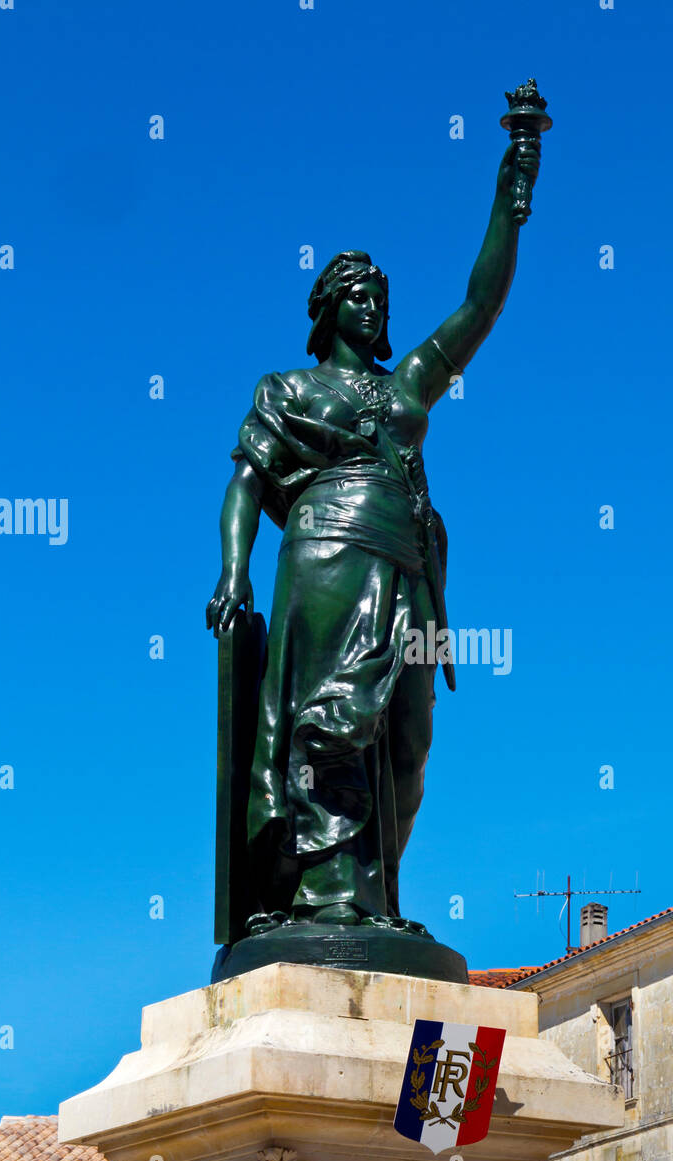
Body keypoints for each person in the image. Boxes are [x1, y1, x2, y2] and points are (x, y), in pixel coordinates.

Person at [206, 139, 540, 934]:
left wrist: (510, 193)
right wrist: (232, 573)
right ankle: (323, 898)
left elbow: (481, 304)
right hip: (324, 556)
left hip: (409, 568)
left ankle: (380, 894)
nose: (372, 306)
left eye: (379, 296)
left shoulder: (408, 383)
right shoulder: (288, 388)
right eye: (356, 294)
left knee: (407, 744)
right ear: (326, 310)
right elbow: (248, 480)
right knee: (329, 725)